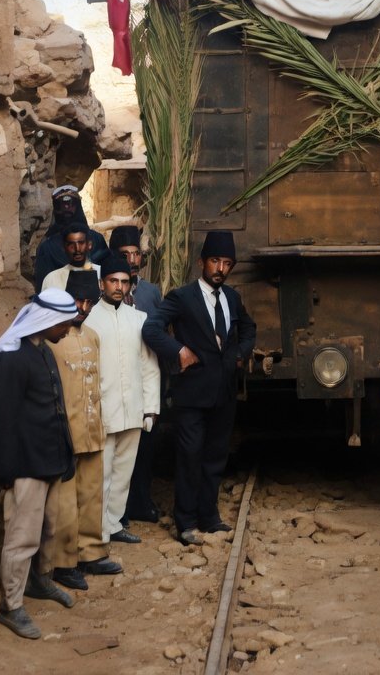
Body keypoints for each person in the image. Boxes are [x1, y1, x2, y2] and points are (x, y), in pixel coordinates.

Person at [0, 288, 79, 640]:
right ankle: (12, 605)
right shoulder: (11, 359)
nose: (68, 329)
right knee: (22, 538)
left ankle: (39, 581)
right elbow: (1, 421)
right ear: (47, 319)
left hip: (50, 461)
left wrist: (66, 454)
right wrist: (4, 471)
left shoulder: (43, 351)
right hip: (25, 465)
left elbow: (55, 408)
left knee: (46, 531)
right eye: (64, 323)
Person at [143, 231, 256, 545]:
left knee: (215, 457)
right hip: (191, 396)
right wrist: (178, 350)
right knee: (190, 457)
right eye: (215, 261)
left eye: (227, 263)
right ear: (201, 262)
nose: (220, 268)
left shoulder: (232, 298)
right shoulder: (182, 297)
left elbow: (249, 328)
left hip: (224, 394)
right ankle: (186, 522)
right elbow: (151, 328)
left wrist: (240, 352)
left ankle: (210, 517)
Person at [46, 272, 121, 590]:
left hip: (92, 428)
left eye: (90, 301)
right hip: (65, 433)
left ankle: (91, 553)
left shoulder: (92, 336)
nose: (84, 307)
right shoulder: (51, 339)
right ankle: (64, 563)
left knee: (92, 495)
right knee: (65, 502)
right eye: (79, 300)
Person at [87, 255, 161, 547]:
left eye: (124, 282)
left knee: (123, 474)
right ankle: (97, 533)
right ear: (101, 284)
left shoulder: (139, 319)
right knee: (101, 474)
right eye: (113, 281)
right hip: (102, 411)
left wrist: (151, 408)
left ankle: (115, 524)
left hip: (133, 409)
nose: (119, 287)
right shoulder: (89, 320)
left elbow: (149, 366)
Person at [108, 225, 164, 524]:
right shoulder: (104, 291)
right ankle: (115, 512)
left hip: (144, 381)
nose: (131, 260)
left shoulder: (151, 293)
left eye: (136, 254)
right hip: (115, 383)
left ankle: (142, 502)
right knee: (114, 453)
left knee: (146, 447)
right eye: (124, 254)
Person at [33, 185, 109, 289]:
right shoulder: (47, 246)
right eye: (62, 205)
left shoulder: (97, 239)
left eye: (71, 204)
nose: (67, 208)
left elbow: (109, 273)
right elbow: (42, 284)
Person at [41, 223, 103, 292]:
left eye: (81, 243)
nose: (77, 249)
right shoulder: (52, 279)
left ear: (89, 245)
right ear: (63, 247)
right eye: (71, 244)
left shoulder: (101, 274)